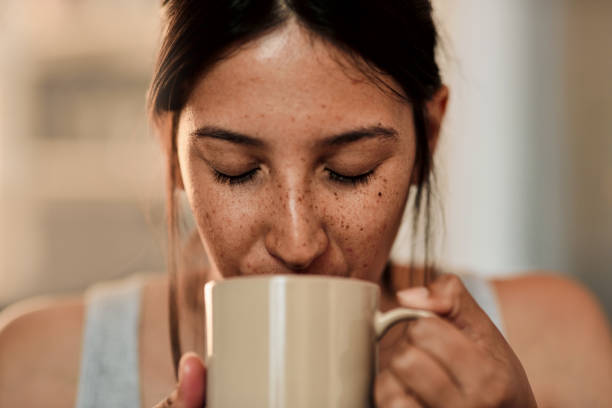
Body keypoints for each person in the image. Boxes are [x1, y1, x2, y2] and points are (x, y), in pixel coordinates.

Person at [1, 1, 611, 407]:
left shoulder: (552, 346)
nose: (297, 242)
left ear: (430, 139)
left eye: (351, 172)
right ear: (172, 153)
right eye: (235, 171)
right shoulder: (34, 370)